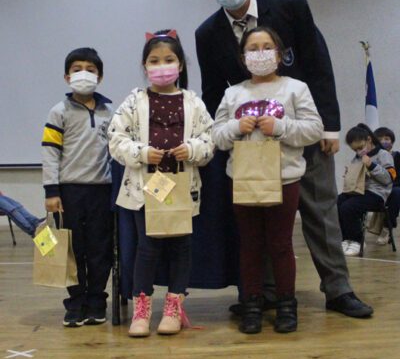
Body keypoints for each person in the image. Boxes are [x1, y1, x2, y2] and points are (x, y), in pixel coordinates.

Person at [195, 0, 373, 318]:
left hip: (305, 134)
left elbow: (319, 63)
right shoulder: (207, 33)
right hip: (252, 149)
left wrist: (330, 126)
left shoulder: (290, 5)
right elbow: (212, 93)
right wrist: (224, 138)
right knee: (261, 224)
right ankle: (266, 294)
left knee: (321, 214)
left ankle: (338, 290)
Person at [213, 26, 323, 334]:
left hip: (284, 179)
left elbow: (314, 129)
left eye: (266, 47)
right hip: (243, 179)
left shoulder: (296, 88)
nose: (259, 53)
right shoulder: (233, 93)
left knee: (281, 244)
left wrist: (281, 127)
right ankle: (252, 304)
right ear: (243, 57)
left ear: (279, 54)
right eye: (252, 48)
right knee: (249, 245)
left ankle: (287, 304)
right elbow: (216, 137)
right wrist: (236, 127)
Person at [108, 30, 214, 337]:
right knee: (147, 247)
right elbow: (115, 138)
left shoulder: (193, 103)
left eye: (168, 60)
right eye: (154, 61)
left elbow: (209, 140)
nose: (161, 66)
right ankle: (141, 309)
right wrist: (141, 153)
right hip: (145, 189)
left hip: (182, 187)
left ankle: (174, 307)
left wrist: (192, 149)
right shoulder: (134, 101)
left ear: (180, 64)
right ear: (145, 66)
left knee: (181, 247)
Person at [42, 47, 113, 327]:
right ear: (67, 77)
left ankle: (96, 301)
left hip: (102, 191)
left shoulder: (110, 112)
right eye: (77, 69)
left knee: (100, 249)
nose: (84, 74)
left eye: (90, 70)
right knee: (72, 249)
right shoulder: (58, 111)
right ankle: (75, 303)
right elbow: (50, 153)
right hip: (69, 192)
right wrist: (51, 191)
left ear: (100, 77)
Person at [338, 123, 395, 256]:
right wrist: (350, 175)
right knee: (338, 201)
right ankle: (346, 239)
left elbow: (389, 179)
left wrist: (371, 165)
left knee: (349, 207)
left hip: (378, 194)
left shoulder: (383, 154)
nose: (359, 152)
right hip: (360, 191)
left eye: (360, 147)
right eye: (355, 150)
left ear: (369, 140)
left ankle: (357, 241)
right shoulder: (357, 157)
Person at [374, 127, 400, 244]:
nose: (383, 141)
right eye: (380, 139)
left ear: (392, 142)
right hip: (375, 188)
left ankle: (387, 228)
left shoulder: (397, 156)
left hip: (393, 188)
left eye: (387, 139)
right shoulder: (371, 157)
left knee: (397, 192)